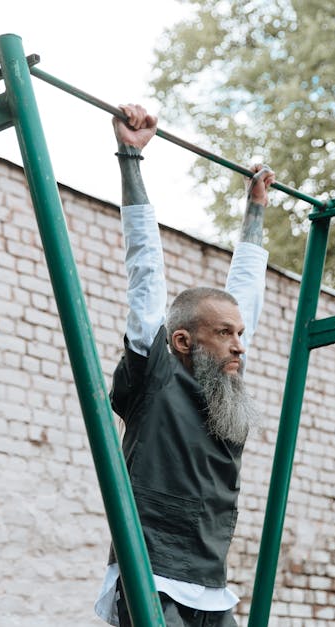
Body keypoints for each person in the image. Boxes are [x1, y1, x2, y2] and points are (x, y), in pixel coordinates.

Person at [94, 104, 275, 627]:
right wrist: (131, 156)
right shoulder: (157, 373)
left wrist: (256, 209)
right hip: (151, 575)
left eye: (240, 334)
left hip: (211, 584)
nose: (239, 344)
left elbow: (246, 295)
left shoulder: (225, 387)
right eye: (225, 335)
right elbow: (145, 268)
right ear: (180, 341)